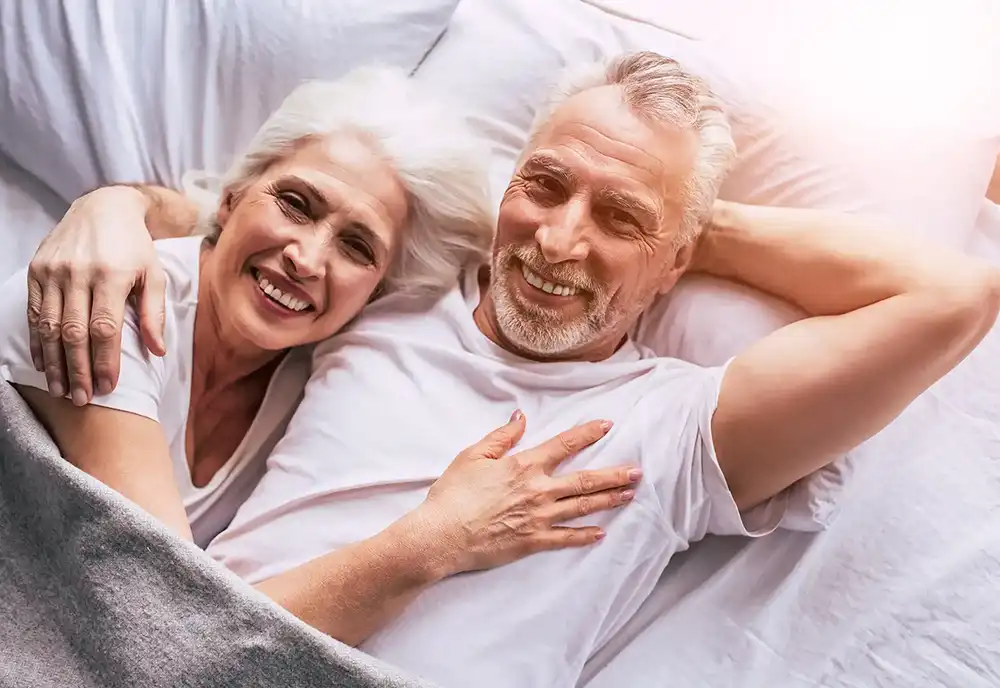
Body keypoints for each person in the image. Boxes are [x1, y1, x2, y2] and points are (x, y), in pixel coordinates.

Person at [23, 52, 1000, 687]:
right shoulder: (388, 294)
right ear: (507, 184)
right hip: (175, 653)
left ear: (675, 262)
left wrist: (694, 227)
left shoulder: (675, 427)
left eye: (617, 219)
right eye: (544, 185)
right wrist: (116, 206)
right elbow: (263, 224)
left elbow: (952, 298)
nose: (559, 239)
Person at [0, 67, 643, 647]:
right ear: (231, 199)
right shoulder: (106, 297)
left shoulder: (314, 370)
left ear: (377, 291)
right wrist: (441, 538)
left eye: (357, 247)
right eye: (295, 204)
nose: (305, 259)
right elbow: (168, 617)